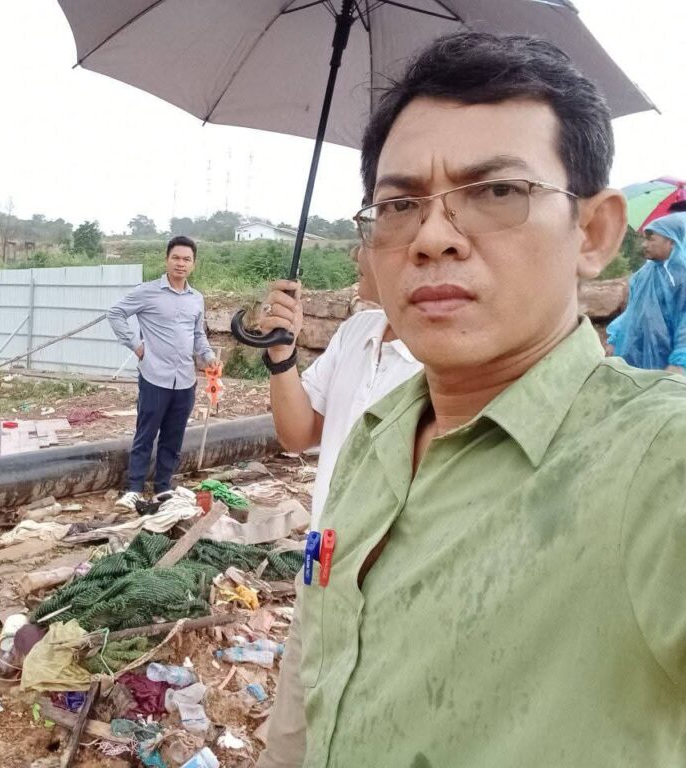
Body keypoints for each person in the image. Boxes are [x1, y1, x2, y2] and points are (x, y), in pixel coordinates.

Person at [258, 31, 686, 768]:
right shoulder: (377, 435)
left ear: (593, 232)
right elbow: (312, 675)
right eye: (399, 204)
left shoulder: (656, 462)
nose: (432, 237)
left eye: (497, 192)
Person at [260, 246, 422, 528]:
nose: (355, 253)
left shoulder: (446, 361)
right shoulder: (355, 331)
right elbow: (297, 437)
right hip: (327, 547)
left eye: (367, 237)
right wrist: (281, 354)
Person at [107, 235, 219, 509]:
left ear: (193, 264)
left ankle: (162, 487)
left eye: (187, 259)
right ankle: (134, 488)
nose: (181, 263)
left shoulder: (196, 299)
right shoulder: (147, 292)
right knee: (146, 433)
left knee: (174, 435)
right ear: (166, 260)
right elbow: (116, 313)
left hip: (185, 380)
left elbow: (198, 335)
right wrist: (136, 345)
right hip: (154, 376)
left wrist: (209, 357)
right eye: (176, 258)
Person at [605, 212, 686, 372]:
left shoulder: (680, 278)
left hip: (666, 361)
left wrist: (679, 360)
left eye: (650, 239)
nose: (644, 244)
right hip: (632, 352)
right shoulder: (643, 274)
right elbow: (632, 311)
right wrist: (614, 339)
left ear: (671, 241)